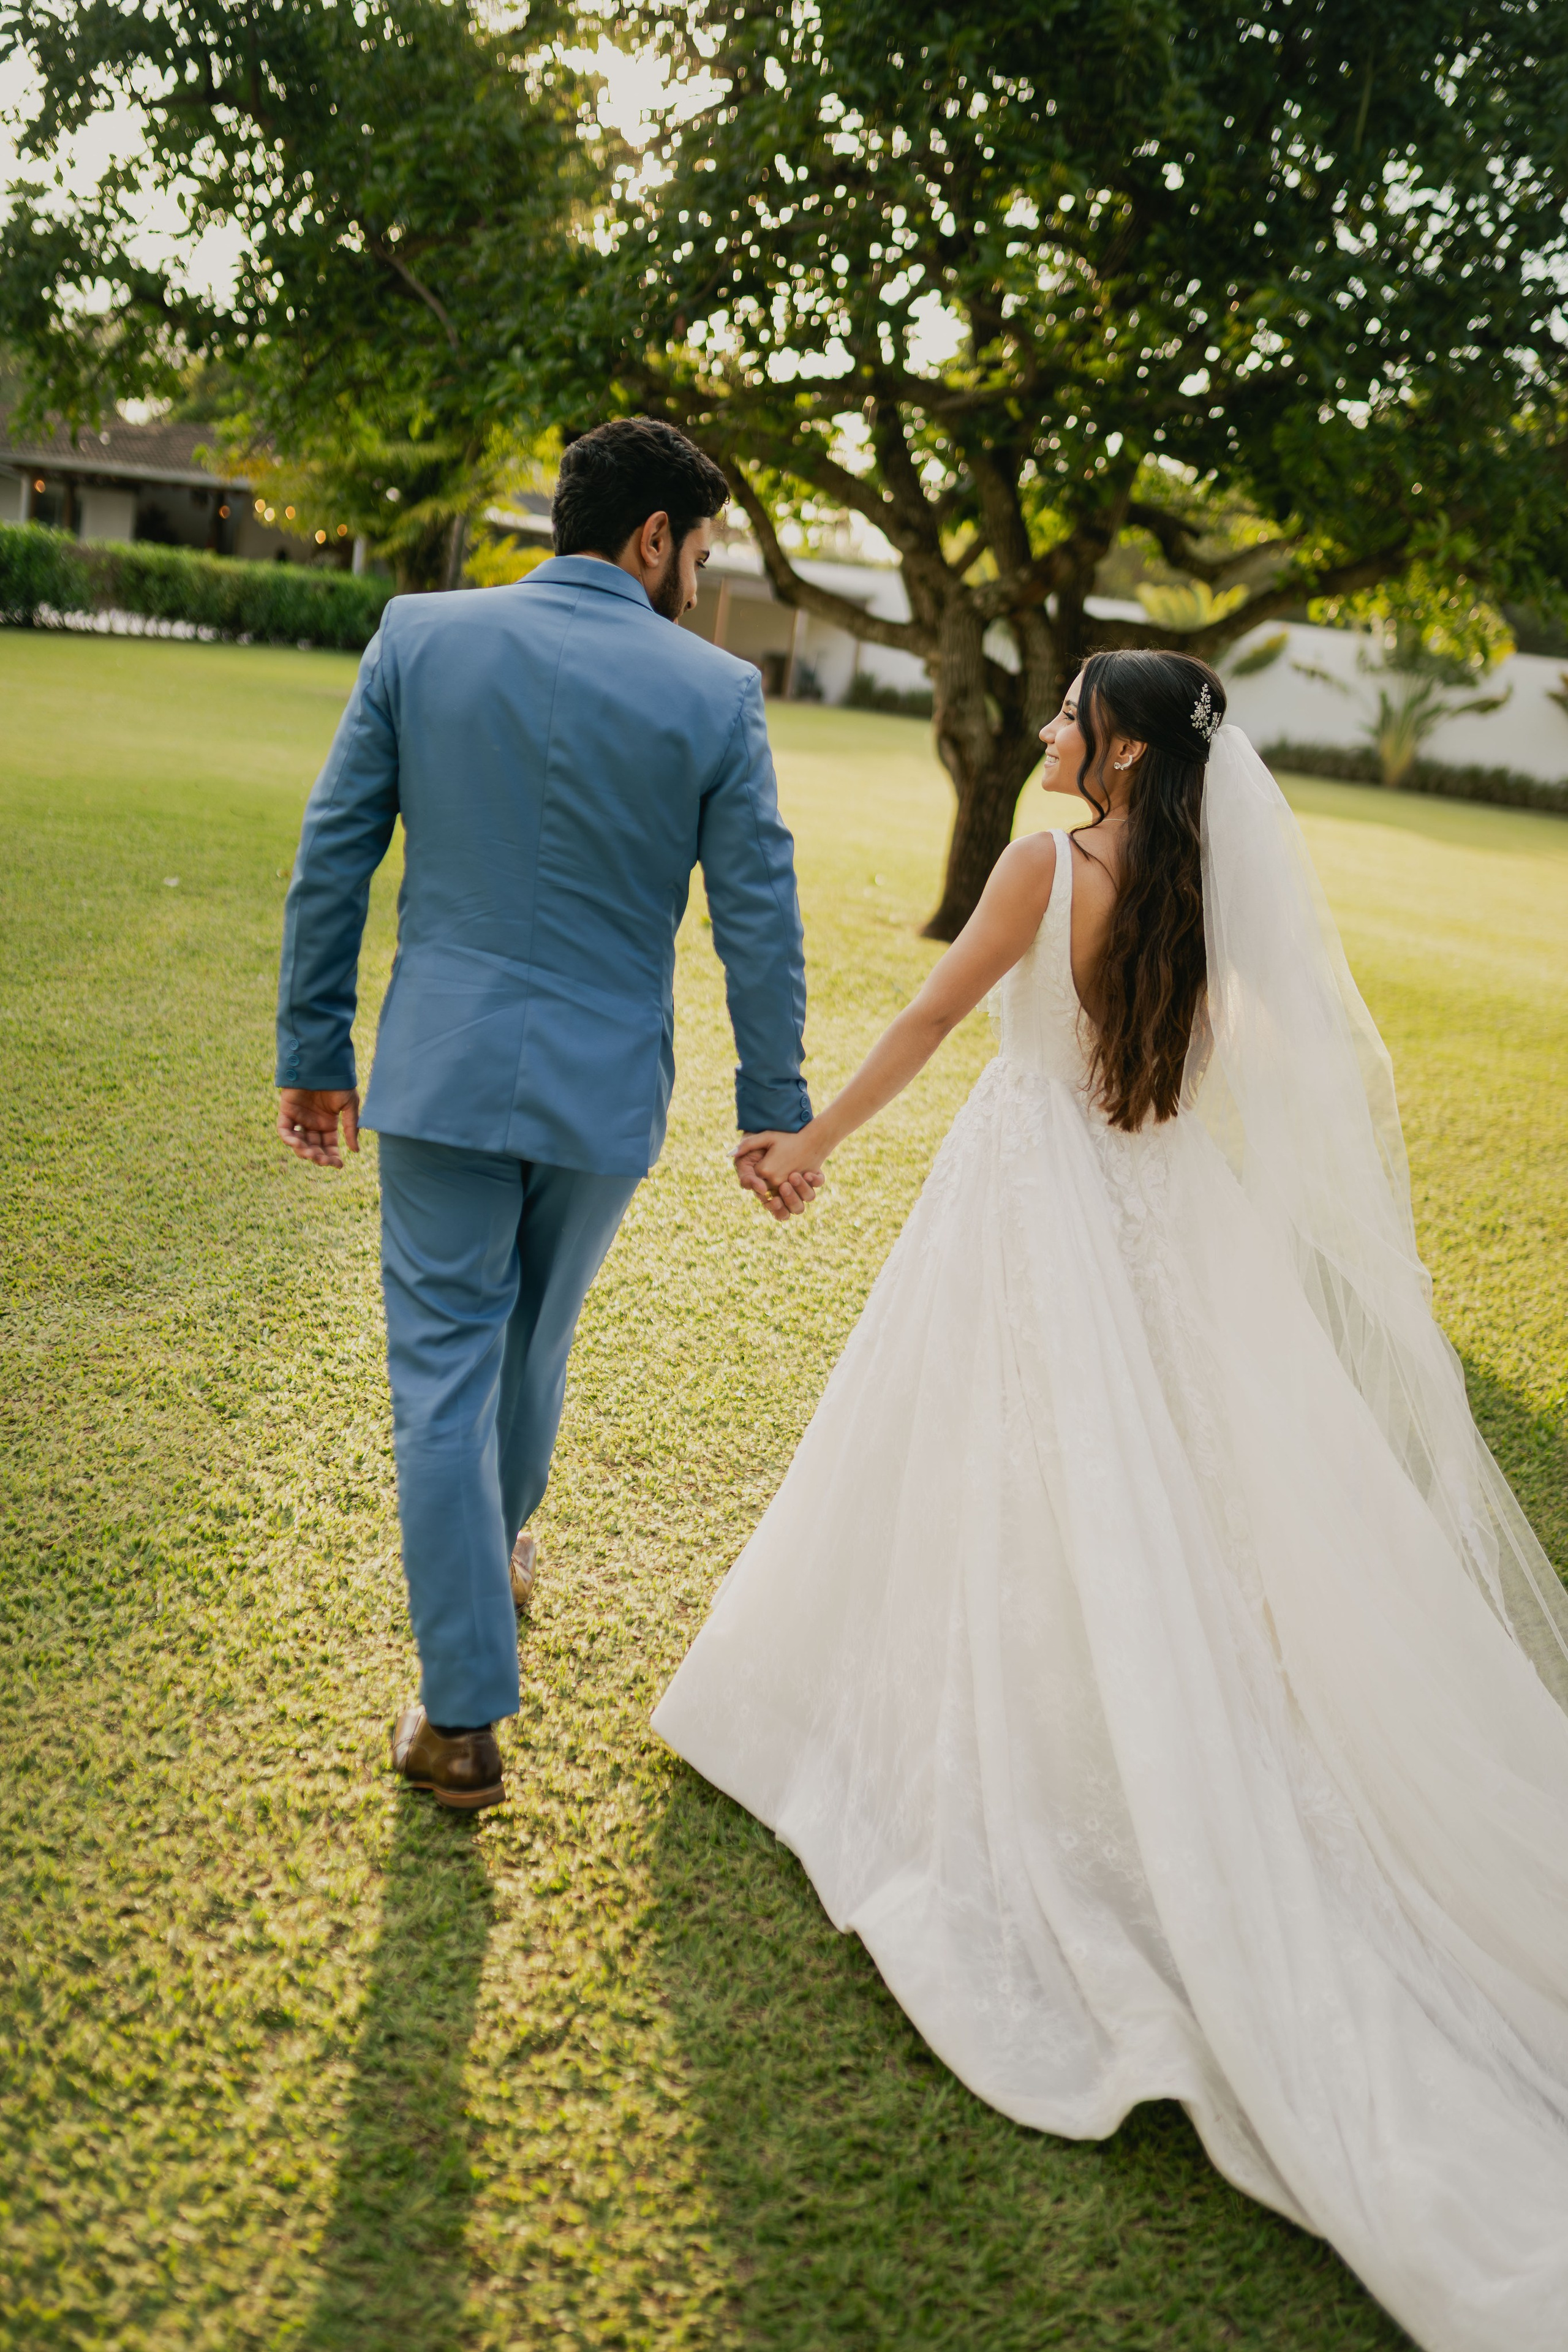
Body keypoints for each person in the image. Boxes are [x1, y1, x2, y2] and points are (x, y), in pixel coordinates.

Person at [655, 650, 1568, 2352]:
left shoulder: (1044, 863)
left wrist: (810, 1142)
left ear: (1125, 749)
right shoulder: (1206, 894)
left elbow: (934, 1021)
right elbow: (1230, 1066)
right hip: (1157, 1206)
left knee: (1015, 1456)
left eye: (1072, 714)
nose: (1050, 730)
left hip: (1030, 1195)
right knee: (1157, 1481)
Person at [276, 416, 815, 1812]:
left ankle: (460, 1720)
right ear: (652, 538)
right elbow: (757, 914)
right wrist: (773, 1103)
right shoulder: (716, 693)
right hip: (603, 1089)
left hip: (442, 1071)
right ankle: (495, 1576)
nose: (696, 582)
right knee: (531, 1339)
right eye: (699, 556)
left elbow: (334, 853)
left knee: (443, 1367)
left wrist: (313, 1050)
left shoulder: (420, 637)